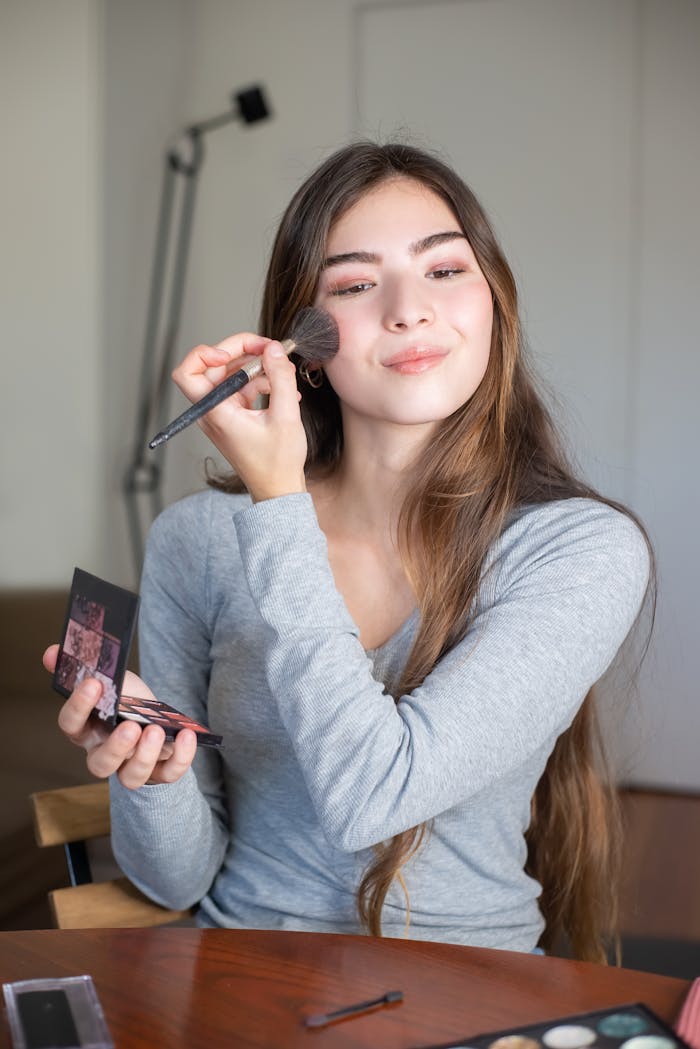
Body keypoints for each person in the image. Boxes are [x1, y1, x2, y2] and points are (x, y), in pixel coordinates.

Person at [44, 141, 653, 963]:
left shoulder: (580, 550)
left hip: (468, 993)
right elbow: (176, 882)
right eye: (356, 284)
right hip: (240, 984)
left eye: (445, 269)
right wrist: (152, 778)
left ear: (495, 301)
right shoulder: (197, 540)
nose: (409, 309)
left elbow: (376, 796)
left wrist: (279, 503)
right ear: (305, 346)